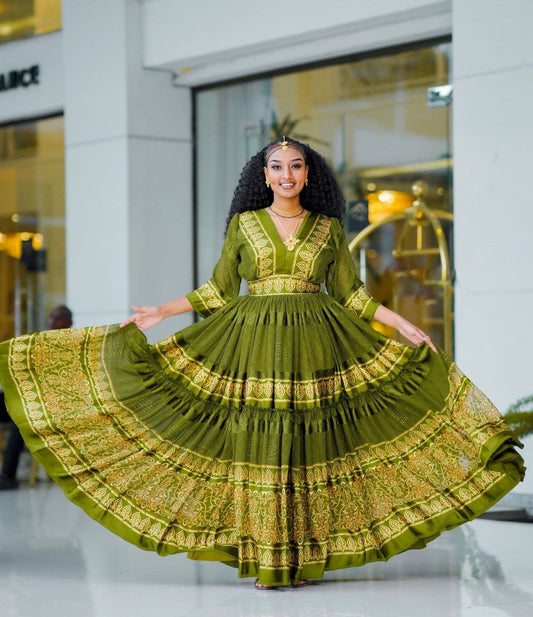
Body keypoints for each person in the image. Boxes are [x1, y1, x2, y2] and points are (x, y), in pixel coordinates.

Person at [0, 138, 524, 589]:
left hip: (318, 343)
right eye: (276, 166)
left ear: (308, 174)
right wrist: (162, 310)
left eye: (295, 165)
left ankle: (298, 558)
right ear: (264, 175)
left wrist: (403, 323)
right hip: (251, 342)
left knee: (306, 447)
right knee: (262, 445)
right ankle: (268, 559)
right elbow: (219, 289)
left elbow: (351, 295)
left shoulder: (328, 228)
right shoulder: (245, 225)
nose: (286, 174)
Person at [0, 306, 73, 490]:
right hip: (26, 399)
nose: (52, 322)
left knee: (20, 422)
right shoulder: (38, 344)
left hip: (49, 406)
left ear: (69, 323)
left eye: (58, 319)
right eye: (51, 317)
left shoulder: (71, 348)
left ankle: (8, 476)